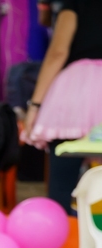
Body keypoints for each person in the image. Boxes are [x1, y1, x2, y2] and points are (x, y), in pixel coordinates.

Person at [24, 0, 102, 214]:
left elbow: (58, 52)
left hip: (77, 93)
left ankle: (69, 241)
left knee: (62, 188)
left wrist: (35, 105)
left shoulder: (75, 4)